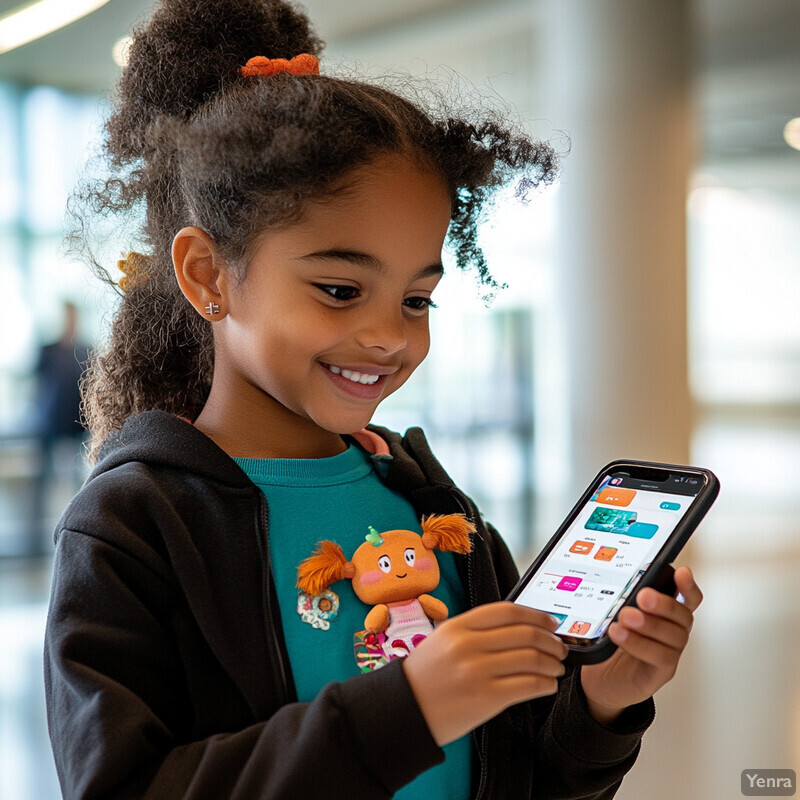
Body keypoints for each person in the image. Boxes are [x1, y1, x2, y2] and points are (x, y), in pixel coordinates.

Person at [43, 1, 703, 798]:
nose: (390, 336)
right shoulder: (133, 526)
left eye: (417, 299)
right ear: (209, 276)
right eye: (340, 288)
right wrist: (411, 706)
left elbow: (522, 774)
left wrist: (599, 703)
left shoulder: (430, 505)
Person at [29, 301, 88, 553]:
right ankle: (36, 542)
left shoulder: (85, 349)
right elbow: (38, 386)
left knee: (79, 482)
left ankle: (79, 531)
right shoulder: (48, 350)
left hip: (75, 424)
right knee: (43, 482)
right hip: (49, 423)